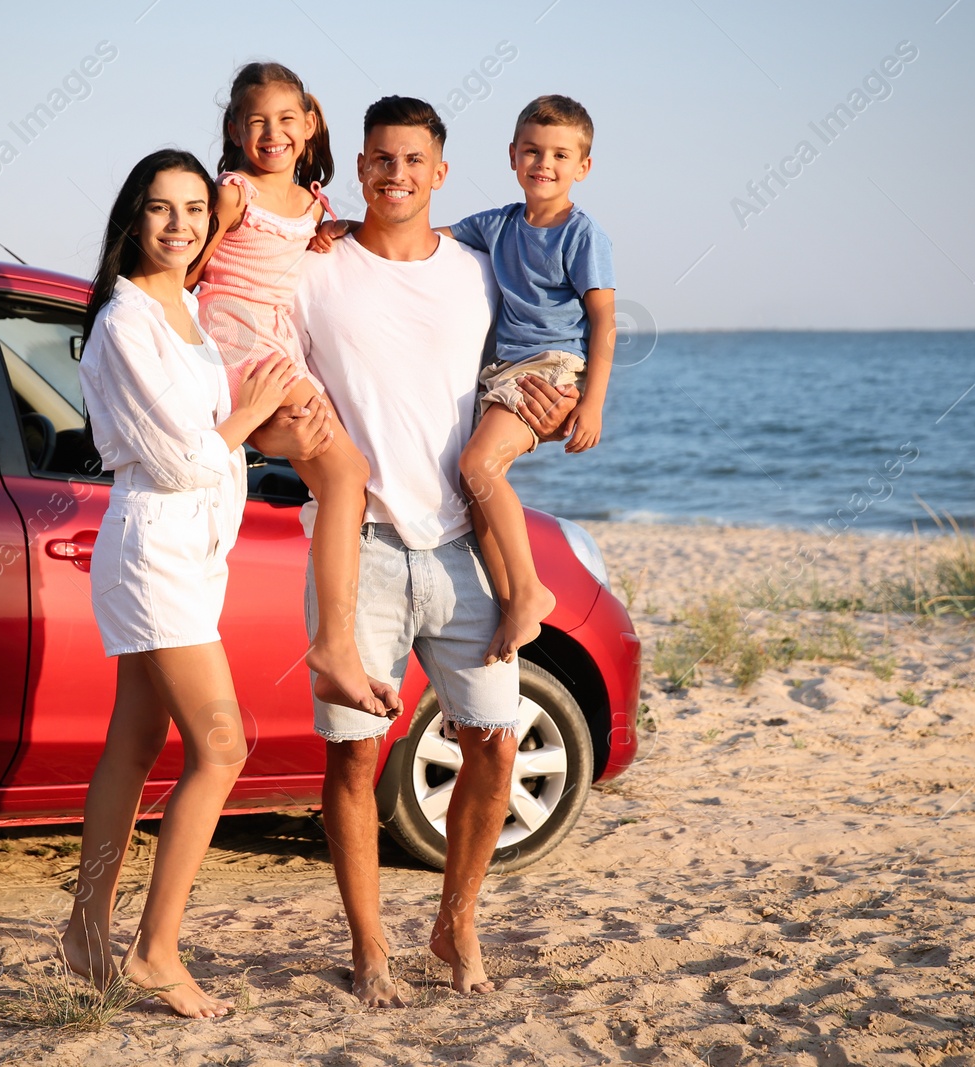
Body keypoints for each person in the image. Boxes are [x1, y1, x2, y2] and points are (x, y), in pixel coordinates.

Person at [276, 96, 580, 1006]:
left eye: (413, 161)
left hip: (461, 549)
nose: (395, 174)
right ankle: (369, 945)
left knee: (493, 741)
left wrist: (558, 408)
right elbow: (269, 380)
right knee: (355, 757)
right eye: (379, 159)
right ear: (358, 167)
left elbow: (535, 360)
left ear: (441, 173)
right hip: (359, 546)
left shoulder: (479, 271)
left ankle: (458, 918)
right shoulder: (313, 270)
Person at [62, 149, 297, 1020]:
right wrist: (247, 411)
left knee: (133, 742)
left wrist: (242, 209)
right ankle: (156, 948)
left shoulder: (187, 303)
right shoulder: (126, 321)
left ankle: (86, 934)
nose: (180, 224)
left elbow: (237, 229)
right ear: (133, 216)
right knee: (223, 744)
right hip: (153, 545)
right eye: (161, 209)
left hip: (193, 553)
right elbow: (178, 454)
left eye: (193, 208)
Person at [317, 95, 616, 666]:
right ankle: (511, 603)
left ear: (584, 166)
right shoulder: (500, 224)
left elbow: (603, 321)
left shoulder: (582, 235)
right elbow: (419, 228)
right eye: (532, 151)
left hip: (548, 368)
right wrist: (352, 226)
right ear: (512, 156)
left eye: (559, 155)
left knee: (476, 466)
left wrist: (592, 403)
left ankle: (529, 591)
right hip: (502, 373)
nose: (543, 165)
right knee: (478, 491)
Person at [187, 62, 400, 719]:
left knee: (346, 476)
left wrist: (326, 232)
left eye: (287, 120)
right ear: (233, 129)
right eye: (256, 122)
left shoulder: (312, 205)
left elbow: (304, 249)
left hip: (280, 352)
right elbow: (191, 270)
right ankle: (334, 648)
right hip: (241, 349)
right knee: (344, 475)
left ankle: (334, 646)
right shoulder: (232, 193)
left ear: (309, 126)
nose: (272, 133)